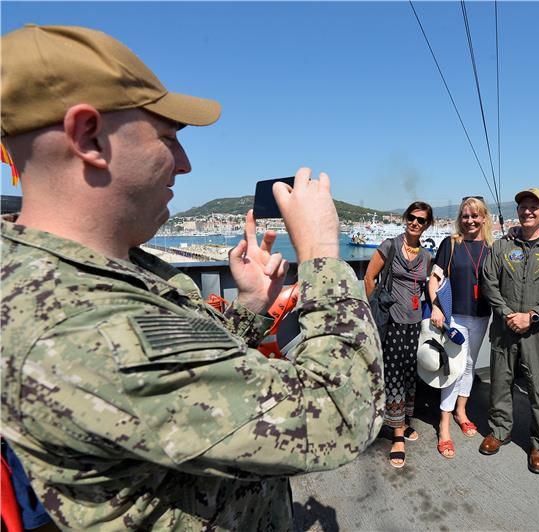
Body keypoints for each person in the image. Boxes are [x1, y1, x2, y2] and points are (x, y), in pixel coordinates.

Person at [0, 25, 384, 531]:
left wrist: (249, 305)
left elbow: (197, 371)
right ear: (88, 135)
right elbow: (342, 413)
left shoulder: (93, 269)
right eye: (167, 137)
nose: (184, 163)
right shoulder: (79, 329)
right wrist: (322, 258)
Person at [479, 188, 539, 474]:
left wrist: (532, 316)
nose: (528, 211)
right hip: (505, 329)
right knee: (500, 383)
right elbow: (489, 283)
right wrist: (509, 314)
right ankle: (499, 431)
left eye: (535, 207)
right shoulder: (502, 248)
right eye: (523, 206)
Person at [364, 201, 434, 468]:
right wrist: (378, 309)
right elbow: (370, 277)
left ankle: (402, 421)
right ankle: (397, 437)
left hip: (414, 323)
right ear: (406, 219)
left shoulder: (426, 257)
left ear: (428, 225)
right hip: (391, 321)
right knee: (392, 373)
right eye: (412, 218)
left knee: (407, 372)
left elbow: (430, 287)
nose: (416, 223)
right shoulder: (390, 246)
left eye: (422, 220)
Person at [427, 197, 493, 459]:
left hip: (481, 315)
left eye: (475, 216)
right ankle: (444, 424)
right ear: (460, 219)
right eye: (466, 216)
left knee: (469, 365)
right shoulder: (451, 244)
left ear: (484, 218)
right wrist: (435, 306)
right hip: (455, 317)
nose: (470, 220)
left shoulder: (491, 247)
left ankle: (461, 411)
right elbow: (434, 279)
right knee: (453, 368)